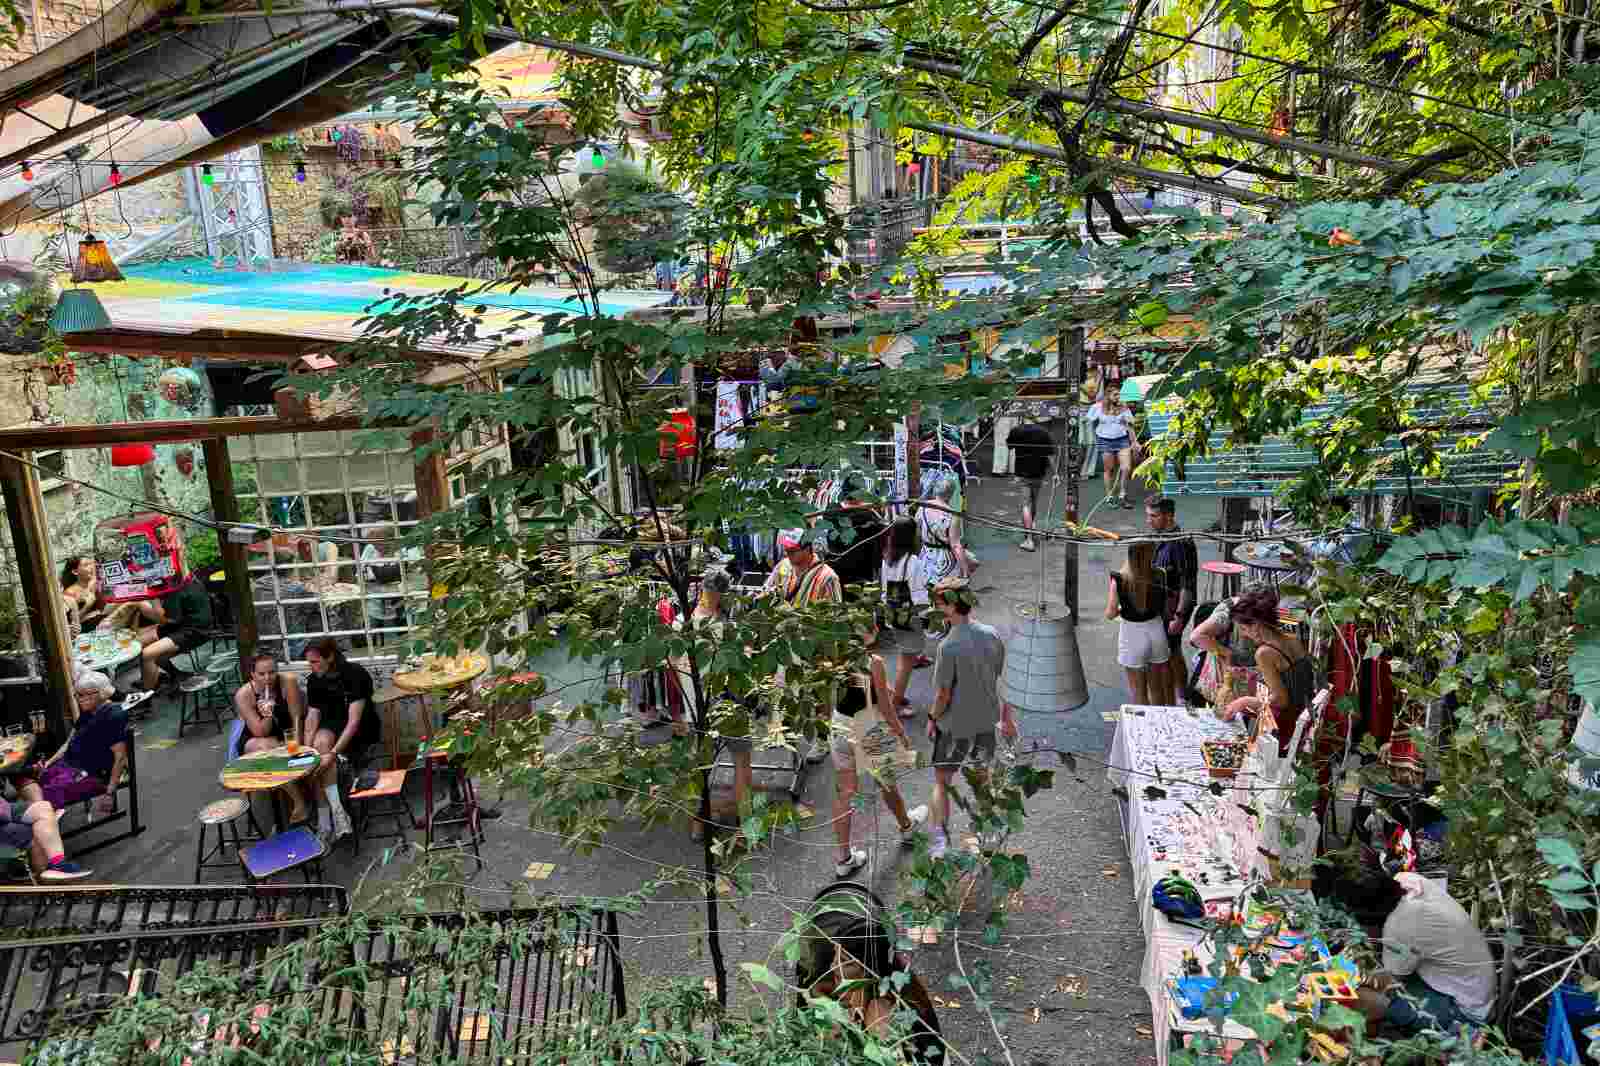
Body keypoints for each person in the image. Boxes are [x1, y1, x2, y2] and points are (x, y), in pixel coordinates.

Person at [1336, 871, 1495, 1035]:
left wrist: (1356, 972)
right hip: (1478, 987)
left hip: (1468, 1011)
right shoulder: (1409, 879)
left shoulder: (1399, 926)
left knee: (1363, 997)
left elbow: (1391, 980)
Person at [924, 577, 1014, 859]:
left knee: (942, 782)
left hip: (953, 726)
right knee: (982, 779)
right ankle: (987, 837)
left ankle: (940, 844)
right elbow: (1002, 679)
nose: (936, 609)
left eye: (938, 604)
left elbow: (943, 695)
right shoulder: (991, 634)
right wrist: (1006, 717)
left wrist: (931, 718)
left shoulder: (947, 646)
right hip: (985, 721)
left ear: (951, 606)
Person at [829, 624, 927, 877]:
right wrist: (901, 732)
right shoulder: (874, 661)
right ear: (867, 635)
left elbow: (855, 690)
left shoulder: (836, 657)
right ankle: (906, 825)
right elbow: (884, 705)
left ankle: (843, 858)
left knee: (845, 794)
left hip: (839, 725)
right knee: (887, 782)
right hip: (867, 727)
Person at [669, 569, 756, 820]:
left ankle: (699, 823)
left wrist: (677, 712)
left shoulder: (681, 623)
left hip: (695, 706)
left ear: (702, 590)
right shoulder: (731, 625)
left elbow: (672, 668)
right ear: (724, 594)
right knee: (741, 761)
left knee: (699, 766)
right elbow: (746, 660)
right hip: (731, 704)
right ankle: (745, 822)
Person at [18, 671, 128, 834]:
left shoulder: (113, 715)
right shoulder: (87, 711)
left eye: (83, 695)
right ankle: (41, 826)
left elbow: (120, 758)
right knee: (34, 781)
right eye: (77, 695)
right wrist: (48, 763)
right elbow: (69, 742)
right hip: (70, 766)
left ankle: (42, 835)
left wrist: (110, 793)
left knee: (47, 794)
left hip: (94, 774)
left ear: (100, 694)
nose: (78, 699)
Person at [1213, 585, 1316, 755]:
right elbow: (1291, 677)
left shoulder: (1264, 654)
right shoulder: (1292, 639)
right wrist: (1254, 673)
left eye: (1244, 629)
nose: (1245, 635)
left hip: (1282, 730)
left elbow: (1281, 701)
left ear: (1257, 624)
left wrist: (1243, 702)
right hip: (1303, 718)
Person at [302, 637, 377, 842]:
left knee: (326, 758)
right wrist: (306, 749)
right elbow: (313, 715)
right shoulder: (314, 680)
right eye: (309, 662)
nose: (312, 666)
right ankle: (336, 815)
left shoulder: (354, 674)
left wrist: (333, 753)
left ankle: (327, 819)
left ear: (330, 657)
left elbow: (354, 722)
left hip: (360, 730)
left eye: (315, 661)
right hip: (332, 727)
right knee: (317, 753)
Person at [233, 653, 310, 823]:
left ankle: (295, 807)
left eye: (272, 672)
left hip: (286, 732)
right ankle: (298, 801)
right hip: (257, 738)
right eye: (262, 674)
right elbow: (260, 731)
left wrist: (297, 747)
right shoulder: (244, 695)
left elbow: (296, 716)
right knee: (267, 748)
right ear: (252, 674)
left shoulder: (287, 681)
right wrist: (268, 713)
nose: (268, 678)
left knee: (284, 751)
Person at [1189, 580, 1276, 704]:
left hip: (1249, 677)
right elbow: (1197, 636)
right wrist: (1226, 653)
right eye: (1243, 627)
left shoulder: (1266, 614)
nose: (1250, 632)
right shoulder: (1229, 610)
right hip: (1226, 676)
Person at [1105, 542, 1170, 705]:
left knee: (1138, 690)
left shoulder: (1119, 578)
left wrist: (1123, 609)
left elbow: (1110, 614)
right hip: (1156, 630)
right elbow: (1165, 607)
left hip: (1132, 633)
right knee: (1157, 688)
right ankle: (1159, 725)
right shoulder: (1161, 574)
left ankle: (1144, 728)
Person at [1147, 497, 1198, 705]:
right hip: (1163, 605)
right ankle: (1181, 693)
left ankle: (1179, 696)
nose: (1149, 521)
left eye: (1154, 516)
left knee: (1169, 652)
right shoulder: (1158, 536)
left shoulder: (1181, 543)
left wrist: (1179, 616)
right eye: (1148, 515)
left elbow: (1187, 585)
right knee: (1172, 650)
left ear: (1168, 516)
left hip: (1175, 606)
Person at [879, 517, 928, 720]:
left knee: (904, 659)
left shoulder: (887, 559)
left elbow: (884, 590)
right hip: (911, 616)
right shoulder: (913, 562)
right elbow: (918, 594)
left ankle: (895, 697)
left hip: (894, 614)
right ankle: (894, 705)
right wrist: (926, 618)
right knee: (906, 665)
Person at [135, 574, 213, 691]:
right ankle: (169, 676)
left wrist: (152, 599)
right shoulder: (186, 578)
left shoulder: (176, 588)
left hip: (194, 631)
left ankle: (147, 696)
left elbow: (162, 620)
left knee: (147, 654)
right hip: (180, 625)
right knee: (137, 644)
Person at [1006, 420, 1055, 552]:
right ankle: (1030, 531)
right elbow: (1050, 455)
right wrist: (1055, 473)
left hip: (1022, 472)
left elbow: (1009, 446)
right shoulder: (1044, 432)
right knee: (1033, 502)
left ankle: (1029, 538)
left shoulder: (1016, 430)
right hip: (1039, 472)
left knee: (1025, 504)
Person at [916, 473, 970, 587]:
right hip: (945, 562)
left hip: (925, 557)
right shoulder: (953, 515)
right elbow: (955, 545)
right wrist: (965, 572)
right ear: (951, 493)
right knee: (944, 597)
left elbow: (918, 534)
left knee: (927, 593)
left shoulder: (922, 507)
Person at [1087, 392, 1139, 509]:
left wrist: (1134, 441)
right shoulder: (1097, 407)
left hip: (1122, 440)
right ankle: (1109, 496)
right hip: (1105, 441)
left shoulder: (1124, 407)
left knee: (1126, 468)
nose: (1118, 397)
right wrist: (1096, 437)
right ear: (1108, 396)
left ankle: (1122, 494)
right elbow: (1090, 422)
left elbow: (1130, 425)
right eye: (1115, 395)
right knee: (1109, 470)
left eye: (1119, 395)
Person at [60, 555, 106, 637]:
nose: (91, 567)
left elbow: (101, 608)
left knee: (133, 606)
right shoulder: (70, 593)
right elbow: (72, 624)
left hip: (99, 618)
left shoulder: (91, 584)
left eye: (91, 564)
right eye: (86, 565)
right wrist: (87, 606)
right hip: (87, 628)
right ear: (75, 572)